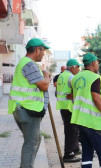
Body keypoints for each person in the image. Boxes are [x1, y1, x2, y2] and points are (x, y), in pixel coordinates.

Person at [8, 38, 51, 167]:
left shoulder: (25, 63)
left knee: (35, 140)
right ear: (38, 49)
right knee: (31, 143)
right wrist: (47, 75)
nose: (44, 54)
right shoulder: (29, 64)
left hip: (23, 109)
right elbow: (44, 86)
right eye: (43, 51)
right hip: (27, 109)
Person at [70, 53, 101, 168]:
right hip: (93, 122)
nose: (98, 65)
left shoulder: (75, 78)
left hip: (81, 121)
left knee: (87, 152)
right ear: (94, 63)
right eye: (98, 63)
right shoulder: (95, 77)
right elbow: (96, 98)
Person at [56, 59, 82, 162]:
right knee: (71, 131)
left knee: (72, 130)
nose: (79, 70)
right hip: (69, 107)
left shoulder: (62, 75)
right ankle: (68, 154)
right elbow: (77, 90)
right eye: (77, 67)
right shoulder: (71, 77)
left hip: (63, 106)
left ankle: (75, 149)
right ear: (72, 68)